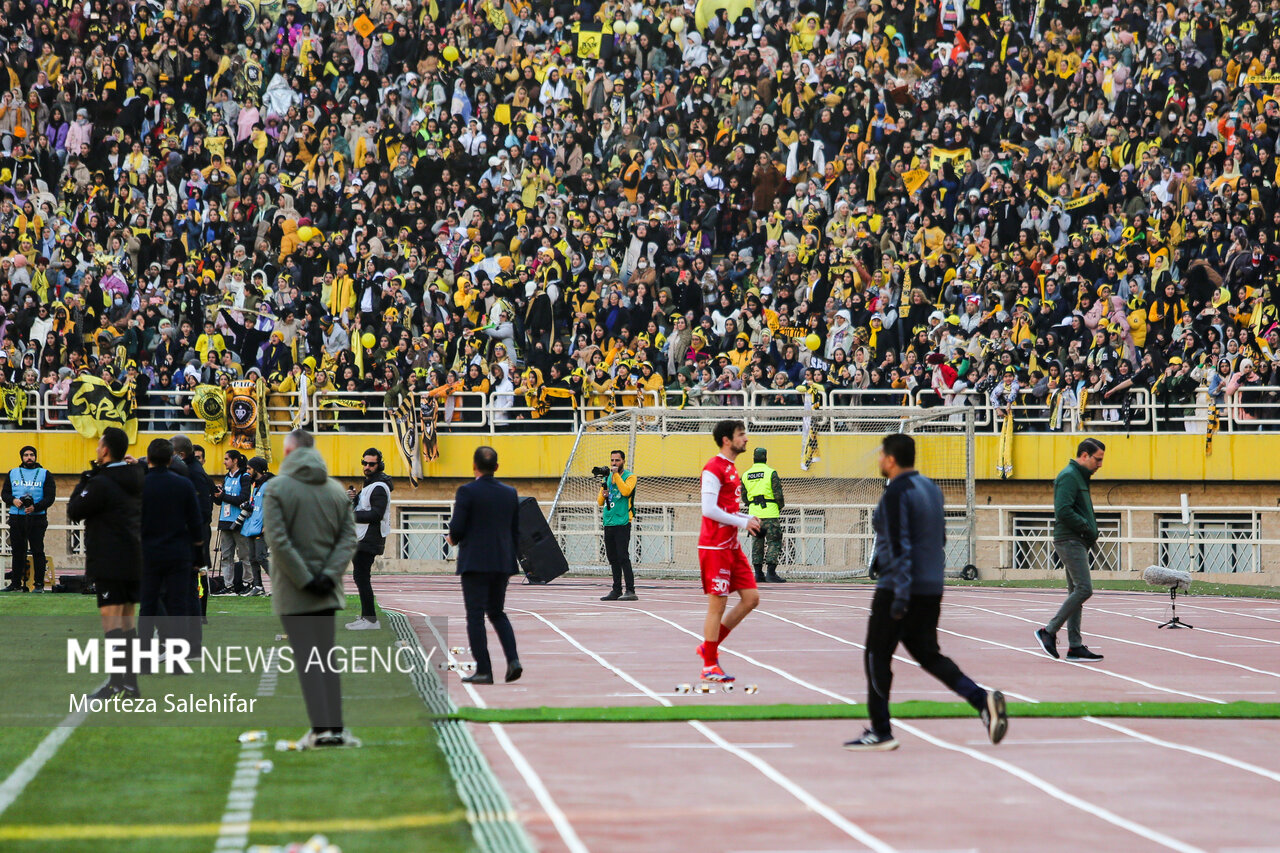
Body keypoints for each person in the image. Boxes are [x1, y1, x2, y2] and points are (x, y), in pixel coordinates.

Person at [845, 434, 1007, 751]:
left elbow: (901, 546)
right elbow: (940, 539)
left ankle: (880, 731)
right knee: (928, 655)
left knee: (876, 655)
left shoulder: (895, 493)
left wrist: (901, 596)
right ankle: (981, 699)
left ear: (890, 459)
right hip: (931, 587)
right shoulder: (932, 489)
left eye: (881, 455)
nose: (878, 460)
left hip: (899, 587)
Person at [262, 429, 359, 749]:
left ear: (288, 452)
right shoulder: (334, 490)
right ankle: (336, 728)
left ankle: (320, 730)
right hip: (327, 590)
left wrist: (304, 579)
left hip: (294, 590)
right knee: (327, 659)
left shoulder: (275, 488)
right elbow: (348, 539)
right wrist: (328, 575)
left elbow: (277, 540)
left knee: (308, 663)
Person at [67, 428, 144, 700]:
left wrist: (84, 481)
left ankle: (114, 683)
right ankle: (131, 684)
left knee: (111, 621)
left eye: (100, 445)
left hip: (109, 558)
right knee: (126, 620)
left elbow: (74, 510)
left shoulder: (100, 481)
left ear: (104, 450)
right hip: (133, 556)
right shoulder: (137, 475)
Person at [446, 446, 521, 685]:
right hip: (502, 561)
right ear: (497, 467)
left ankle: (485, 670)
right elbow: (514, 530)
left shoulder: (467, 492)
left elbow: (457, 528)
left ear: (474, 466)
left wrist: (453, 538)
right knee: (498, 613)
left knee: (475, 616)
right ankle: (513, 660)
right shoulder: (510, 493)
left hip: (475, 562)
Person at [695, 420, 762, 685]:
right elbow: (708, 509)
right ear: (726, 440)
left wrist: (747, 517)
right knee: (717, 605)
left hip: (731, 545)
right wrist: (743, 522)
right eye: (740, 434)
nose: (746, 438)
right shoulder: (713, 467)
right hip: (715, 546)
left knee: (752, 598)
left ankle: (708, 647)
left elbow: (727, 510)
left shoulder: (732, 469)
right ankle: (709, 664)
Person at [1035, 439, 1106, 662]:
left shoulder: (1079, 477)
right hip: (1070, 540)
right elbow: (1063, 511)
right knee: (1084, 589)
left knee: (1076, 591)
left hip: (1077, 540)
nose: (1100, 465)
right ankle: (1049, 630)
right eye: (1098, 459)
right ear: (1084, 456)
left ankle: (1075, 646)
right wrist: (1086, 528)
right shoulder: (1069, 476)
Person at [137, 438, 204, 659]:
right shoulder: (184, 484)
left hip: (150, 553)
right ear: (170, 459)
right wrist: (198, 553)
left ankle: (146, 653)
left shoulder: (141, 484)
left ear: (148, 459)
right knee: (178, 602)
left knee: (148, 604)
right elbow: (195, 523)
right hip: (178, 552)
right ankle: (179, 651)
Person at [346, 448, 392, 630]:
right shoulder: (371, 484)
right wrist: (355, 498)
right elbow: (367, 507)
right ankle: (368, 617)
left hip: (368, 539)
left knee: (362, 577)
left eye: (371, 464)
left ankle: (371, 620)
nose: (367, 466)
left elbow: (376, 514)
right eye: (364, 463)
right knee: (361, 577)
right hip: (364, 537)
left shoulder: (379, 486)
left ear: (379, 465)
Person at [172, 435, 214, 624]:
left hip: (195, 535)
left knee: (196, 575)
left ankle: (198, 615)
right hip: (191, 534)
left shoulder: (194, 473)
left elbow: (204, 509)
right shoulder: (186, 470)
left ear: (181, 454)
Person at [3, 446, 56, 592]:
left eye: (32, 455)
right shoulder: (13, 473)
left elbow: (50, 497)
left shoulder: (45, 473)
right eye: (26, 455)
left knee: (37, 550)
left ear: (36, 456)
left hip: (37, 518)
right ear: (22, 457)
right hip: (16, 517)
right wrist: (13, 500)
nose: (29, 457)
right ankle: (15, 583)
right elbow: (5, 494)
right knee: (18, 551)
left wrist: (36, 507)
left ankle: (39, 584)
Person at [741, 446, 787, 583]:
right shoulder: (771, 472)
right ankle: (771, 573)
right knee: (774, 540)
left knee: (757, 542)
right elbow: (778, 494)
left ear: (753, 458)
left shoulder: (746, 474)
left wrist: (752, 505)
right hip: (770, 513)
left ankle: (758, 574)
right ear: (765, 458)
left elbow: (744, 496)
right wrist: (779, 506)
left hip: (754, 514)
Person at [211, 449, 254, 595]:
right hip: (225, 521)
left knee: (244, 554)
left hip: (239, 521)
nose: (224, 462)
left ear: (235, 460)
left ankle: (249, 582)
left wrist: (223, 496)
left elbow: (243, 498)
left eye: (226, 459)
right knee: (226, 555)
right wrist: (216, 494)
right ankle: (229, 585)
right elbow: (220, 501)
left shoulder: (244, 476)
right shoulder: (227, 477)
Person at [598, 449, 638, 601]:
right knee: (612, 557)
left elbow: (626, 491)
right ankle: (616, 589)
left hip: (622, 521)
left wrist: (615, 475)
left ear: (623, 461)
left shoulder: (631, 477)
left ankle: (630, 590)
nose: (614, 463)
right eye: (612, 460)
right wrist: (604, 488)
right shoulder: (608, 478)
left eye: (617, 460)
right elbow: (600, 502)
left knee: (623, 556)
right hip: (609, 521)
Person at [239, 457, 274, 597]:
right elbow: (255, 505)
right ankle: (258, 586)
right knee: (252, 557)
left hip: (262, 526)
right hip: (253, 525)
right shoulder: (256, 485)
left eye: (249, 469)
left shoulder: (269, 485)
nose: (247, 472)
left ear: (257, 469)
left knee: (261, 557)